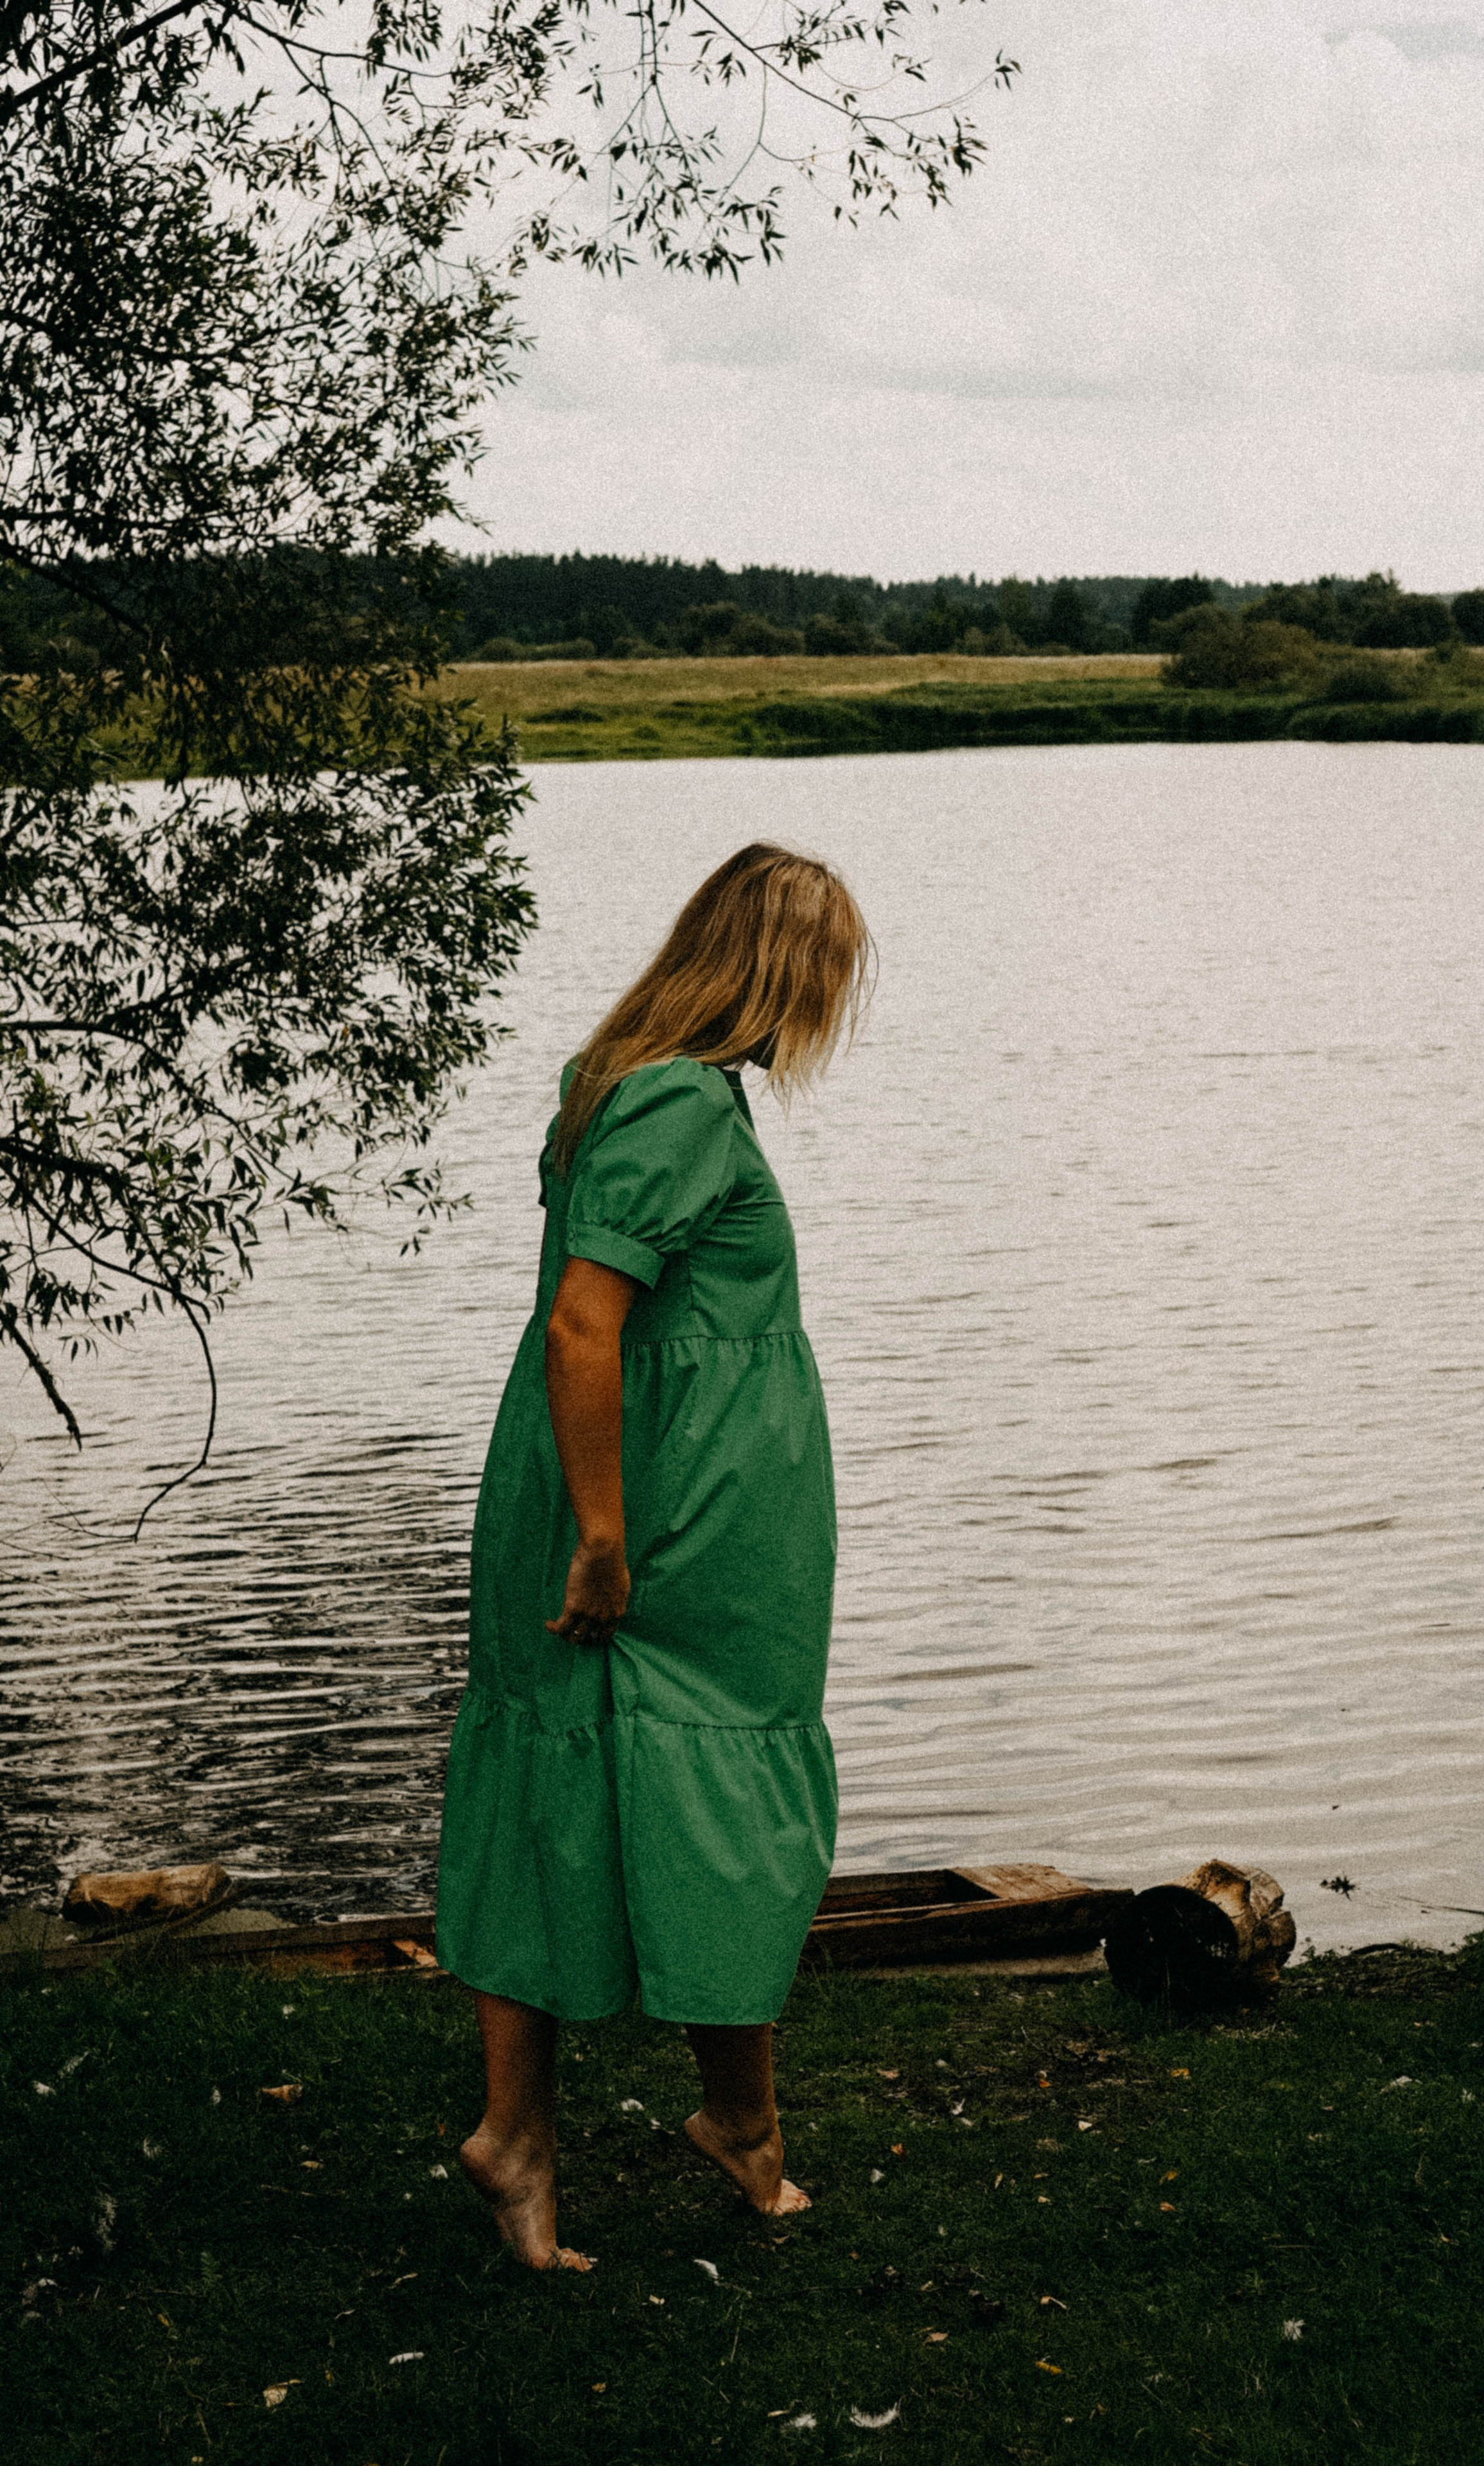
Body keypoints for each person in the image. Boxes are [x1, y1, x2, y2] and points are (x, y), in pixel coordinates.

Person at [435, 841, 873, 2269]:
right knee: (726, 1793)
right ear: (781, 974)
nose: (822, 1012)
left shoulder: (619, 1077)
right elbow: (583, 1324)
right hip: (667, 1518)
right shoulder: (680, 1103)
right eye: (823, 980)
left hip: (649, 1494)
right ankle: (714, 2124)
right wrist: (609, 1540)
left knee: (573, 1787)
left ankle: (562, 2136)